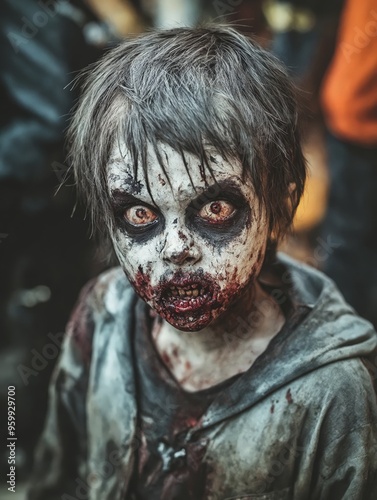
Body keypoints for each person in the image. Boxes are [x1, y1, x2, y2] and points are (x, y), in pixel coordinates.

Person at [27, 26, 377, 500]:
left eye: (214, 209)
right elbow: (53, 476)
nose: (175, 248)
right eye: (140, 214)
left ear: (279, 209)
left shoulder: (333, 392)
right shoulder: (102, 315)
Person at [320, 0, 377, 327]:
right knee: (348, 238)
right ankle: (342, 332)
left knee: (349, 238)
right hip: (355, 116)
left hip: (356, 114)